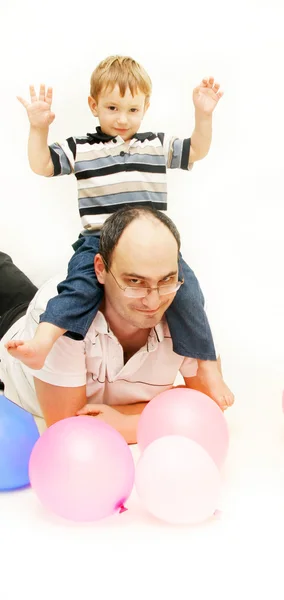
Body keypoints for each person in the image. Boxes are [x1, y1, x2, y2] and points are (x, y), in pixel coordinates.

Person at [5, 54, 232, 408]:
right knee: (77, 289)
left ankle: (209, 368)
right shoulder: (82, 147)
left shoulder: (156, 145)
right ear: (94, 106)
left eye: (132, 110)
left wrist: (203, 116)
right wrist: (38, 128)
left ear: (146, 107)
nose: (122, 119)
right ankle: (43, 341)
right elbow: (41, 165)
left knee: (190, 296)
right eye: (112, 108)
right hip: (98, 238)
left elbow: (197, 149)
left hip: (152, 246)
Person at [0, 207, 235, 442]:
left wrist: (127, 422)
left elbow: (206, 405)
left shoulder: (184, 313)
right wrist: (158, 417)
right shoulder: (59, 318)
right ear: (100, 269)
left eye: (166, 279)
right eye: (135, 281)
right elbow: (70, 429)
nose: (153, 301)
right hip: (9, 329)